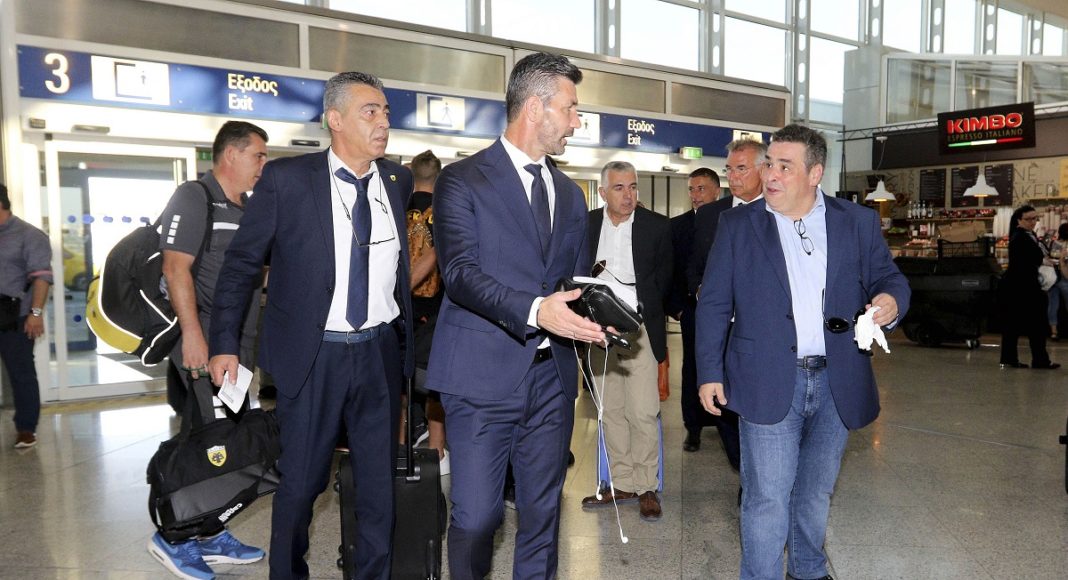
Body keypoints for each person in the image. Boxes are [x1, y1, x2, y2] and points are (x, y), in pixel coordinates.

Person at [207, 71, 414, 580]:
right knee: (301, 484)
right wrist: (224, 343)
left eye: (386, 112)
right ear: (335, 119)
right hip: (313, 354)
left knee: (378, 485)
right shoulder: (288, 180)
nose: (383, 122)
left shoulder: (397, 181)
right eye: (370, 111)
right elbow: (241, 265)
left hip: (379, 353)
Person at [696, 124, 910, 580]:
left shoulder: (856, 222)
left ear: (815, 174)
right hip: (766, 377)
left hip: (838, 379)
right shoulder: (738, 225)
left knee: (815, 491)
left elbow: (889, 279)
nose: (770, 174)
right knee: (767, 497)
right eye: (769, 164)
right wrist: (709, 372)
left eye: (784, 166)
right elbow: (713, 303)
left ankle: (809, 570)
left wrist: (890, 301)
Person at [427, 51, 604, 580]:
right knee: (477, 517)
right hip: (481, 375)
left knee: (543, 514)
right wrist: (535, 311)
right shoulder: (463, 180)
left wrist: (599, 311)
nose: (576, 121)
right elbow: (460, 273)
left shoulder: (570, 194)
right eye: (570, 108)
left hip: (551, 379)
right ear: (534, 108)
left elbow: (570, 282)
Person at [148, 121, 270, 579]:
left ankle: (209, 529)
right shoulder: (194, 196)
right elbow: (175, 269)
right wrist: (194, 336)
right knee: (210, 441)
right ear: (231, 154)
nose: (263, 164)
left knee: (220, 438)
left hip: (236, 347)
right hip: (204, 343)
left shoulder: (247, 207)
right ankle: (174, 537)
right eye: (258, 155)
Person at [580, 161, 672, 521]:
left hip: (639, 328)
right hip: (598, 329)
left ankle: (647, 485)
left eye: (633, 187)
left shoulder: (656, 226)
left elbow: (664, 280)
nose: (628, 195)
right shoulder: (587, 224)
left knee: (643, 410)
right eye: (619, 188)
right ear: (603, 192)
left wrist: (643, 311)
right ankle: (622, 483)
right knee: (610, 410)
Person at [684, 140, 766, 464]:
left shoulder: (778, 213)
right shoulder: (710, 215)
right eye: (729, 169)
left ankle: (755, 474)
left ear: (763, 169)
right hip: (721, 328)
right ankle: (741, 464)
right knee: (724, 404)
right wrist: (703, 293)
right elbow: (694, 266)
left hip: (760, 331)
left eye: (741, 168)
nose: (733, 176)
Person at [667, 168, 720, 453]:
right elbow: (670, 271)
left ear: (716, 191)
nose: (695, 195)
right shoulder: (678, 226)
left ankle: (724, 423)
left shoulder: (731, 220)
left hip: (726, 315)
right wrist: (677, 309)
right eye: (691, 189)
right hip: (692, 311)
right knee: (692, 369)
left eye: (701, 188)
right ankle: (693, 427)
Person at [405, 149, 449, 474]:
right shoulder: (446, 215)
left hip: (399, 307)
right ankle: (437, 450)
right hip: (436, 311)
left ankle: (399, 448)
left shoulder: (395, 208)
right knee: (435, 380)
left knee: (398, 381)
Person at [0, 183, 52, 449]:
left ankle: (26, 428)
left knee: (21, 373)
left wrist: (36, 313)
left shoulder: (29, 235)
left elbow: (42, 277)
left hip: (16, 315)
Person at [999, 205, 1059, 369]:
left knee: (1016, 324)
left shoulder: (1027, 235)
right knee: (1035, 324)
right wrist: (1043, 260)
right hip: (1023, 286)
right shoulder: (1020, 237)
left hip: (1020, 285)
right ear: (1019, 220)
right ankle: (1038, 360)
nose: (1032, 222)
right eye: (1028, 219)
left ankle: (1012, 359)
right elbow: (1030, 258)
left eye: (1034, 218)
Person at [1046, 222, 1068, 340]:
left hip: (1052, 276)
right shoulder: (1066, 246)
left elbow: (1048, 257)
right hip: (1064, 276)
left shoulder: (1052, 243)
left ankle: (1053, 332)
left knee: (1053, 304)